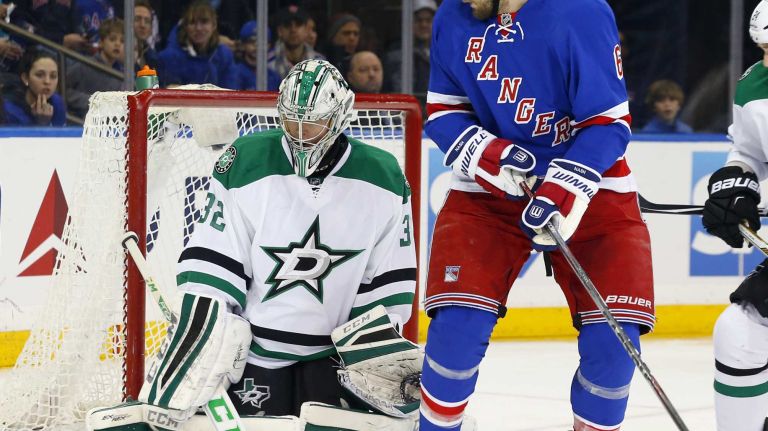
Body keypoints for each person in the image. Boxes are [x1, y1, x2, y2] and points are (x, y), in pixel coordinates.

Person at [84, 59, 421, 431]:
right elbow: (214, 266)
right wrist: (202, 340)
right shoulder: (245, 159)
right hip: (257, 357)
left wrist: (372, 356)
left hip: (334, 360)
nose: (301, 134)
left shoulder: (384, 177)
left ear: (339, 117)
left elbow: (388, 286)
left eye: (313, 123)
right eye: (292, 121)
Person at [421, 1, 653, 431]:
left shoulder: (580, 11)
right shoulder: (452, 15)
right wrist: (489, 155)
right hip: (490, 191)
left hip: (592, 184)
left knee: (614, 345)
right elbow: (444, 111)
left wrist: (563, 189)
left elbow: (608, 124)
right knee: (456, 328)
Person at [702, 2, 768, 430]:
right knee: (739, 334)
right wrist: (735, 180)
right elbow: (746, 150)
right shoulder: (755, 85)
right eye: (764, 48)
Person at [155, 1, 238, 89]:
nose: (198, 28)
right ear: (186, 27)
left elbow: (230, 92)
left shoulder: (225, 56)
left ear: (214, 25)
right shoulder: (168, 58)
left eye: (204, 22)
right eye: (193, 22)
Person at [66, 18, 125, 118]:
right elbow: (63, 90)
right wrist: (93, 102)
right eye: (112, 39)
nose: (117, 44)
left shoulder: (121, 75)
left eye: (122, 41)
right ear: (101, 42)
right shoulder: (84, 65)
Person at [383, 0, 435, 98]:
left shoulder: (444, 51)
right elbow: (399, 92)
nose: (424, 25)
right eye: (418, 20)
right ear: (408, 22)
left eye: (428, 20)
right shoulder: (398, 53)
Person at [3, 47, 66, 126]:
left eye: (53, 76)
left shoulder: (57, 102)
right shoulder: (8, 109)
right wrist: (42, 123)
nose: (47, 81)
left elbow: (61, 137)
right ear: (25, 78)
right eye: (39, 75)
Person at [267, 5, 325, 80]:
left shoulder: (320, 62)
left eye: (298, 24)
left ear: (306, 30)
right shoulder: (267, 63)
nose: (293, 30)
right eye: (288, 25)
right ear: (279, 31)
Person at [233, 20, 281, 91]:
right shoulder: (235, 73)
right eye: (252, 41)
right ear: (243, 45)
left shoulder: (274, 77)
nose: (257, 46)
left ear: (269, 45)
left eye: (262, 42)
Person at [134, 0, 158, 69]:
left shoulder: (153, 59)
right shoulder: (118, 54)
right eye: (137, 19)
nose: (142, 25)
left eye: (147, 21)